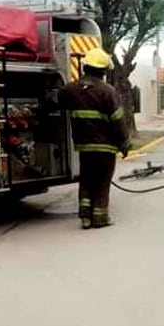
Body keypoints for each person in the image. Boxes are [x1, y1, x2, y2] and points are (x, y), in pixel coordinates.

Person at [57, 48, 131, 229]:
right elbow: (118, 122)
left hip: (84, 147)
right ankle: (100, 217)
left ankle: (85, 217)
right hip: (105, 148)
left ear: (85, 68)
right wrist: (125, 144)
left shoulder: (70, 90)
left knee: (87, 179)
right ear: (103, 71)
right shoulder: (108, 92)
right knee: (102, 181)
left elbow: (55, 100)